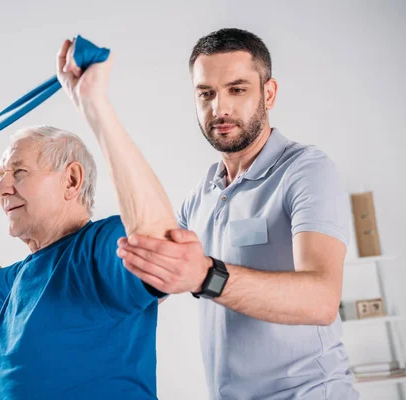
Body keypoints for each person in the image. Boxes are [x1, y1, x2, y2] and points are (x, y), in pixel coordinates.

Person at [0, 38, 181, 398]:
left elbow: (159, 245)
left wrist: (94, 105)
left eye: (19, 172)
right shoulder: (23, 277)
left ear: (71, 180)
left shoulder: (102, 249)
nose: (1, 189)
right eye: (1, 175)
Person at [114, 28, 359, 399]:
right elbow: (147, 285)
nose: (220, 108)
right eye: (206, 94)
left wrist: (206, 275)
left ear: (269, 93)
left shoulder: (306, 170)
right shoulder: (199, 198)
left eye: (237, 89)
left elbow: (323, 299)